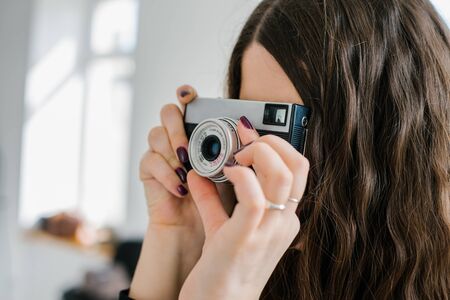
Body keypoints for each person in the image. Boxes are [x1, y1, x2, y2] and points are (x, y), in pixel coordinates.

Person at [121, 0, 450, 299]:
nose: (257, 156)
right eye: (252, 122)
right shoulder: (250, 271)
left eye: (291, 129)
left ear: (384, 151)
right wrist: (177, 240)